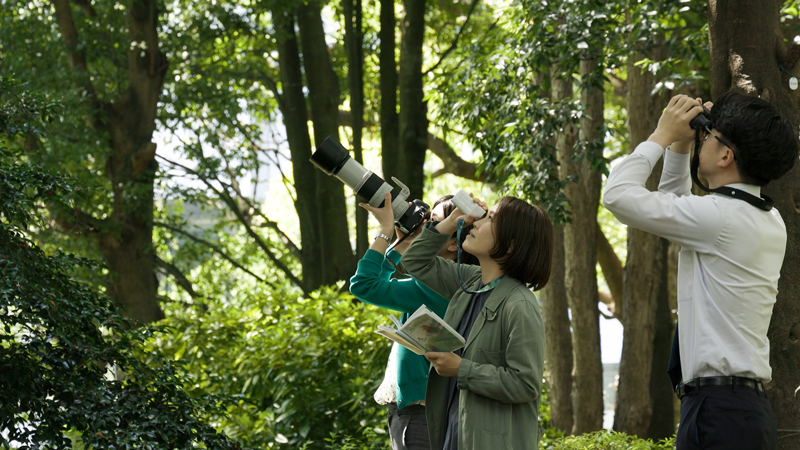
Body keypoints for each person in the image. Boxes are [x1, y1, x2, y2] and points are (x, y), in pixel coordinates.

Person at [603, 93, 798, 450]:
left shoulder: (720, 218)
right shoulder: (764, 217)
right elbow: (679, 207)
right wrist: (680, 144)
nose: (702, 138)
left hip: (719, 412)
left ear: (726, 156)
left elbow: (617, 195)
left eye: (708, 135)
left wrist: (662, 134)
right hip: (736, 410)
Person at [402, 195, 552, 450]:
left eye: (490, 219)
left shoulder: (520, 305)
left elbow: (525, 385)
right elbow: (413, 261)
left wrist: (462, 369)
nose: (477, 224)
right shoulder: (471, 282)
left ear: (511, 246)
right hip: (454, 436)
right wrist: (449, 222)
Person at [349, 193, 477, 450]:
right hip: (432, 410)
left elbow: (364, 285)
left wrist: (386, 233)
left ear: (453, 244)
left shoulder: (431, 288)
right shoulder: (464, 284)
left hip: (420, 415)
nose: (425, 228)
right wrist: (402, 241)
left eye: (434, 223)